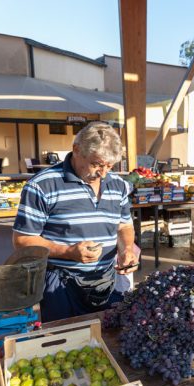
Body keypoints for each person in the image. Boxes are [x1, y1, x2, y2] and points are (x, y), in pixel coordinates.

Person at [13, 121, 138, 322]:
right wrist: (67, 252)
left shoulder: (118, 184)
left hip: (108, 281)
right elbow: (22, 240)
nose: (103, 173)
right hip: (61, 286)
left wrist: (127, 250)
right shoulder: (41, 186)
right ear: (76, 150)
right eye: (96, 164)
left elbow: (124, 225)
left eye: (109, 166)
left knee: (111, 335)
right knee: (66, 338)